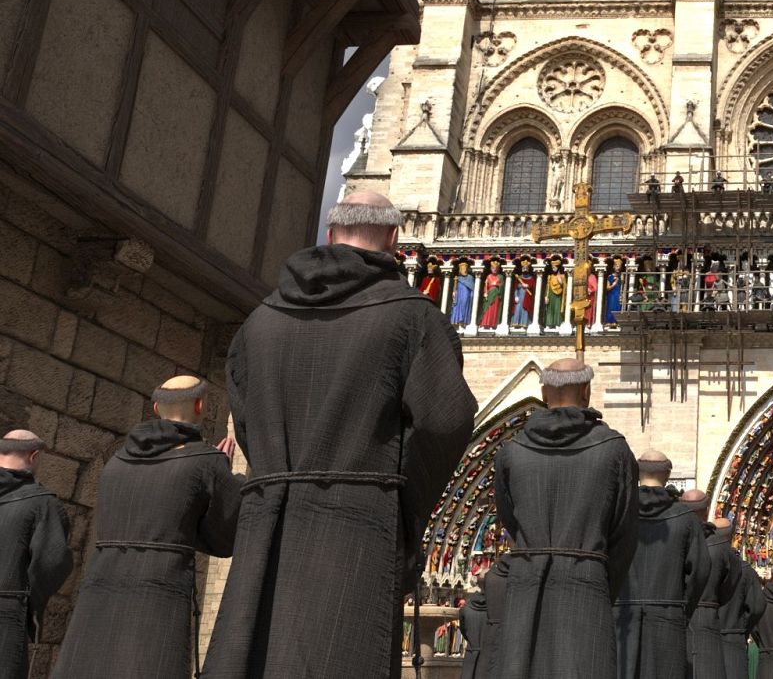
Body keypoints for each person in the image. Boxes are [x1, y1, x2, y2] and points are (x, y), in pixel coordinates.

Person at [202, 192, 477, 679]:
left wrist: (278, 469)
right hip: (360, 524)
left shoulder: (259, 322)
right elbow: (445, 422)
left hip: (271, 519)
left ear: (330, 236)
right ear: (393, 239)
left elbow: (245, 420)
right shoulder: (413, 317)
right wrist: (401, 497)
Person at [53, 376, 242, 679]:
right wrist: (230, 482)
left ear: (155, 408)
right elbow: (224, 540)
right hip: (159, 594)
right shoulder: (207, 461)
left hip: (99, 592)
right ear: (200, 405)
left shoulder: (116, 462)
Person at [494, 356, 640, 677]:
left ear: (544, 394)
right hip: (586, 584)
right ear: (586, 392)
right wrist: (596, 576)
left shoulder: (511, 452)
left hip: (526, 583)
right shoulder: (613, 450)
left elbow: (509, 520)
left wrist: (533, 557)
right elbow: (625, 533)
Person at [616, 451, 710, 679]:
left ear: (637, 473)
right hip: (668, 615)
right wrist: (682, 605)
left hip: (621, 615)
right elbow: (700, 571)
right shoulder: (686, 518)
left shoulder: (618, 514)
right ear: (668, 474)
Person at [0, 430, 71, 679]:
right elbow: (52, 563)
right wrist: (32, 606)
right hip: (6, 614)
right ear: (35, 456)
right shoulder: (43, 504)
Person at [687, 500, 736, 679]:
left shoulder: (674, 536)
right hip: (710, 615)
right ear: (707, 510)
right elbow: (731, 586)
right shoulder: (723, 551)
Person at [715, 521, 765, 679]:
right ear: (733, 537)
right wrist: (742, 628)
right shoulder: (746, 571)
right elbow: (757, 607)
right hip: (734, 638)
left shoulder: (703, 563)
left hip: (704, 637)